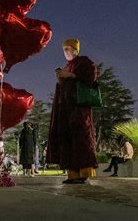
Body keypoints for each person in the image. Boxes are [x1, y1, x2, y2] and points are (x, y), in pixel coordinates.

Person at [46, 38, 99, 184]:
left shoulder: (84, 62)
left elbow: (91, 76)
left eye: (67, 49)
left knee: (81, 139)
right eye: (63, 50)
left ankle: (84, 172)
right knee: (68, 141)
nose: (65, 52)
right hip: (67, 111)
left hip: (79, 110)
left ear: (75, 50)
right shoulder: (67, 66)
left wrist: (71, 75)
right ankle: (73, 174)